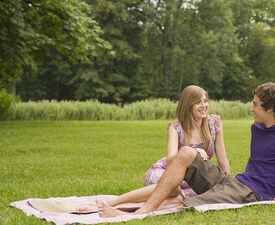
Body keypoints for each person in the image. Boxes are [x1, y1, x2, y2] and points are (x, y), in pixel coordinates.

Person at [97, 82, 275, 217]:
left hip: (253, 193)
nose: (251, 109)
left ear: (270, 109)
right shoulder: (256, 128)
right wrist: (224, 178)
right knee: (186, 153)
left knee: (185, 204)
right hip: (235, 182)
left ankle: (136, 213)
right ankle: (143, 208)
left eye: (256, 105)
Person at [76, 85, 230, 212]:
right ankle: (112, 202)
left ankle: (120, 210)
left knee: (179, 199)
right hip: (164, 173)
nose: (204, 106)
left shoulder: (214, 124)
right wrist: (194, 151)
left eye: (205, 101)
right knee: (174, 190)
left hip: (189, 181)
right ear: (188, 105)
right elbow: (171, 159)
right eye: (198, 102)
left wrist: (228, 185)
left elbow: (222, 160)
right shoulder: (176, 127)